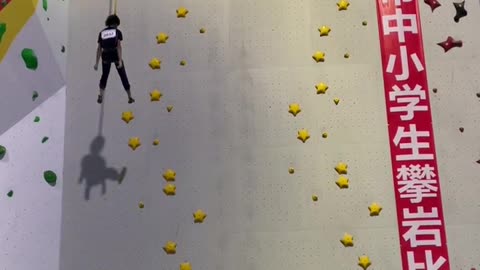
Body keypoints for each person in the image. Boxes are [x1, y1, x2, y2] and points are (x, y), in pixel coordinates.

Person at [94, 14, 134, 104]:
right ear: (116, 23)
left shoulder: (102, 32)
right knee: (123, 75)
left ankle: (100, 95)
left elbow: (99, 48)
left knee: (104, 76)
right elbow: (119, 47)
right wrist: (120, 60)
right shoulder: (117, 32)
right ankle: (129, 96)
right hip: (115, 55)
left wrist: (96, 63)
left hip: (105, 56)